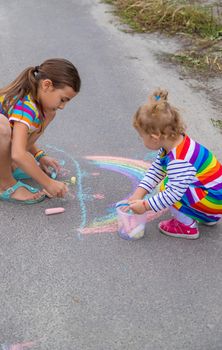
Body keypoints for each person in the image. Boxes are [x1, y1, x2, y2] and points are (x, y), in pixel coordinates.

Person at [126, 88, 222, 239]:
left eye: (141, 137)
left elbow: (172, 194)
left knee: (167, 187)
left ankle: (187, 227)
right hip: (214, 197)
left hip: (214, 200)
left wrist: (145, 206)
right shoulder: (174, 144)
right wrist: (138, 194)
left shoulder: (179, 160)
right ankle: (207, 216)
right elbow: (156, 170)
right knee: (172, 183)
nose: (141, 140)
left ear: (155, 137)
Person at [0, 58, 81, 204]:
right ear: (47, 85)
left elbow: (22, 140)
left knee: (25, 159)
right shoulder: (25, 106)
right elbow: (18, 153)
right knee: (2, 128)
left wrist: (38, 155)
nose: (63, 106)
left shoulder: (36, 104)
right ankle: (5, 184)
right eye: (63, 99)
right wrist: (48, 183)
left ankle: (7, 169)